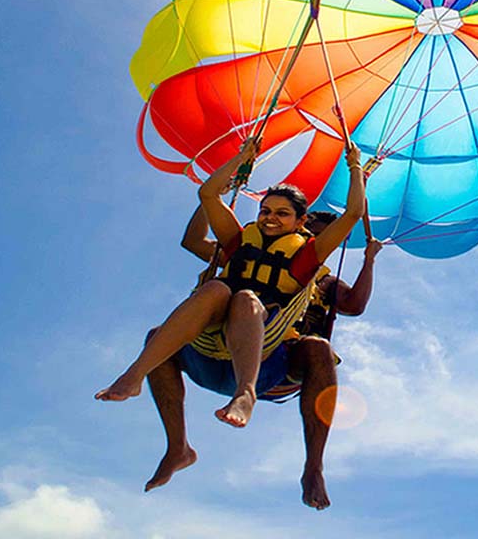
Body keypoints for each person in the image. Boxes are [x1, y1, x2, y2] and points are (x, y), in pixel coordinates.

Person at [95, 138, 366, 506]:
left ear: (301, 222)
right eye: (266, 211)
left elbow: (351, 215)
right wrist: (242, 159)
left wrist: (354, 167)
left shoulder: (308, 257)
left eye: (282, 213)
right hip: (210, 352)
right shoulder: (240, 241)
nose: (270, 218)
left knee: (248, 301)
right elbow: (209, 195)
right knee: (211, 296)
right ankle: (163, 423)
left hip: (268, 361)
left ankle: (304, 457)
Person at [176, 207, 382, 509]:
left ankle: (314, 467)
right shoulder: (249, 251)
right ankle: (177, 447)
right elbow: (193, 242)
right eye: (309, 225)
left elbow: (353, 304)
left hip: (275, 367)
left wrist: (369, 260)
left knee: (319, 349)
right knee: (160, 335)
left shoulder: (320, 278)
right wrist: (215, 198)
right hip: (217, 349)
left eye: (318, 231)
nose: (310, 233)